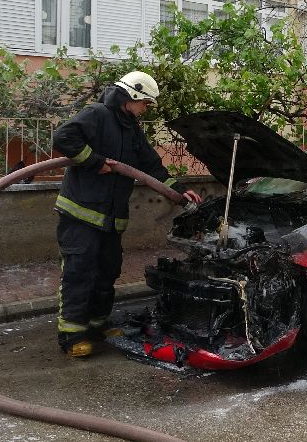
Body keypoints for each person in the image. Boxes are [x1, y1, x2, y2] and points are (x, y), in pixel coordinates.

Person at [51, 71, 202, 357]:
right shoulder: (96, 114)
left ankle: (97, 325)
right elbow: (64, 138)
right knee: (79, 272)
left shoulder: (131, 129)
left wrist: (180, 192)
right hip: (81, 214)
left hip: (111, 219)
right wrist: (95, 162)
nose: (145, 109)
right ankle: (71, 336)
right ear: (130, 96)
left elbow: (151, 167)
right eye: (144, 102)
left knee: (107, 272)